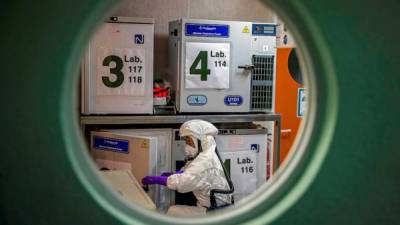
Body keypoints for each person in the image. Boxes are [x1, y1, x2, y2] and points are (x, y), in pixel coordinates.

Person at [142, 119, 234, 216]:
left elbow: (183, 183)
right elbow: (189, 173)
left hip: (211, 213)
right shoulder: (207, 156)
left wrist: (156, 179)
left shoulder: (204, 162)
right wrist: (173, 174)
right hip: (214, 209)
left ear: (201, 141)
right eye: (186, 142)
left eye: (190, 142)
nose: (186, 146)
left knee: (173, 211)